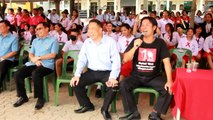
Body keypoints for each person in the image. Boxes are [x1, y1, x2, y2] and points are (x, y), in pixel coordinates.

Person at [119, 17, 173, 120]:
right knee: (123, 84)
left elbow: (167, 62)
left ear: (154, 27)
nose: (144, 27)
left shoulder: (160, 43)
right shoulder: (136, 41)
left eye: (147, 25)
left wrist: (169, 81)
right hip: (136, 76)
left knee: (169, 88)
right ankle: (134, 113)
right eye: (142, 25)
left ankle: (155, 113)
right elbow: (125, 59)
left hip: (154, 77)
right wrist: (135, 47)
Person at [70, 19, 121, 120]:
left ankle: (105, 109)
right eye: (89, 29)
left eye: (93, 28)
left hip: (107, 72)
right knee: (76, 83)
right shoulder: (87, 42)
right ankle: (87, 105)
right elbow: (82, 59)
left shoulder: (110, 42)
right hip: (92, 72)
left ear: (101, 29)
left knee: (113, 85)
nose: (90, 31)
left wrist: (112, 77)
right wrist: (77, 75)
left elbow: (116, 61)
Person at [13, 22, 59, 110]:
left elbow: (53, 55)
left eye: (40, 28)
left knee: (35, 74)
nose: (37, 30)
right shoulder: (35, 40)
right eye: (37, 29)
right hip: (34, 63)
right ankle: (23, 96)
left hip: (47, 65)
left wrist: (38, 58)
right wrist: (34, 59)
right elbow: (31, 54)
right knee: (18, 74)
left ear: (47, 29)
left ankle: (40, 98)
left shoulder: (53, 40)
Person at [0, 20, 18, 92]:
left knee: (2, 65)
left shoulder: (13, 38)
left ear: (8, 27)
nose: (0, 28)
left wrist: (2, 58)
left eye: (2, 26)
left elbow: (14, 52)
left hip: (7, 59)